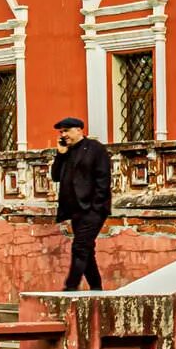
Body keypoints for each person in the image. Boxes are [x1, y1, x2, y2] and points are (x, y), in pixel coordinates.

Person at [49, 117, 113, 292]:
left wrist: (97, 206)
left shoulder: (95, 149)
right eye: (61, 132)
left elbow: (103, 179)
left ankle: (70, 288)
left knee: (79, 247)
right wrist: (60, 155)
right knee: (86, 250)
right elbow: (55, 176)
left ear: (79, 130)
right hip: (75, 210)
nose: (64, 135)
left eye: (67, 131)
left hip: (92, 210)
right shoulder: (66, 152)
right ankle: (96, 288)